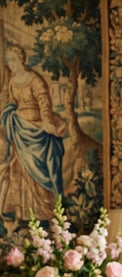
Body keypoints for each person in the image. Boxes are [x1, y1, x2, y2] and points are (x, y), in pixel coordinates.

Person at [0, 43, 65, 224]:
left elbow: (44, 102)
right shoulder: (12, 81)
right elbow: (12, 103)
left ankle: (42, 213)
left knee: (37, 169)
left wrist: (46, 121)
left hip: (36, 130)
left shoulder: (35, 79)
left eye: (14, 60)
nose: (11, 64)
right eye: (9, 61)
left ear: (22, 59)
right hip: (19, 129)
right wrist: (7, 113)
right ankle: (22, 214)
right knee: (20, 168)